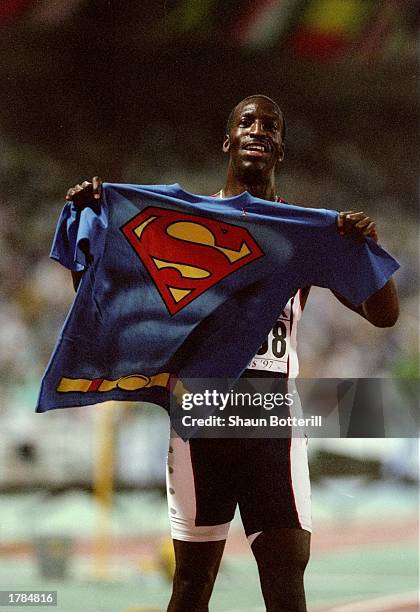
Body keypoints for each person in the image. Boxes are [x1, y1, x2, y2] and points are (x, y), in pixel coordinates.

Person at [65, 95, 399, 612]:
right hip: (200, 417)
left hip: (271, 421)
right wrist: (93, 215)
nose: (258, 129)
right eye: (247, 121)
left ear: (281, 149)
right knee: (191, 589)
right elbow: (102, 298)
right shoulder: (181, 227)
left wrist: (364, 244)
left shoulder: (303, 231)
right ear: (228, 140)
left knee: (286, 587)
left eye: (270, 124)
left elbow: (383, 314)